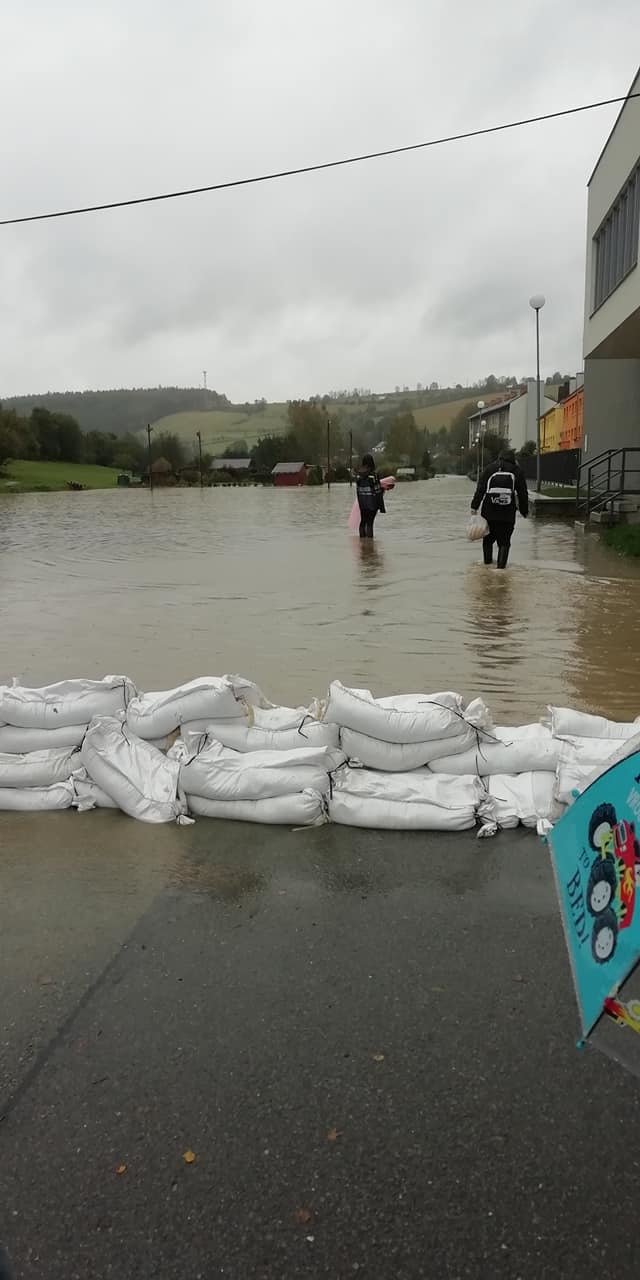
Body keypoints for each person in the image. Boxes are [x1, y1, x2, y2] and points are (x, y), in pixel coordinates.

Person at [470, 447, 528, 568]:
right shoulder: (516, 471)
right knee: (504, 542)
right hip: (507, 514)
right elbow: (523, 493)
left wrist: (474, 506)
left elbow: (480, 489)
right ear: (513, 459)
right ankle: (501, 571)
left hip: (489, 512)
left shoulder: (490, 468)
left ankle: (487, 567)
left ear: (499, 457)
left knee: (488, 541)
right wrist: (524, 511)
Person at [356, 454, 385, 538]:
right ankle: (369, 545)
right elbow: (378, 491)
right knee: (370, 522)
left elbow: (357, 490)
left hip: (362, 503)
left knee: (363, 521)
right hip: (372, 502)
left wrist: (360, 503)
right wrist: (381, 506)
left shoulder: (359, 475)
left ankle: (362, 542)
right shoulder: (373, 475)